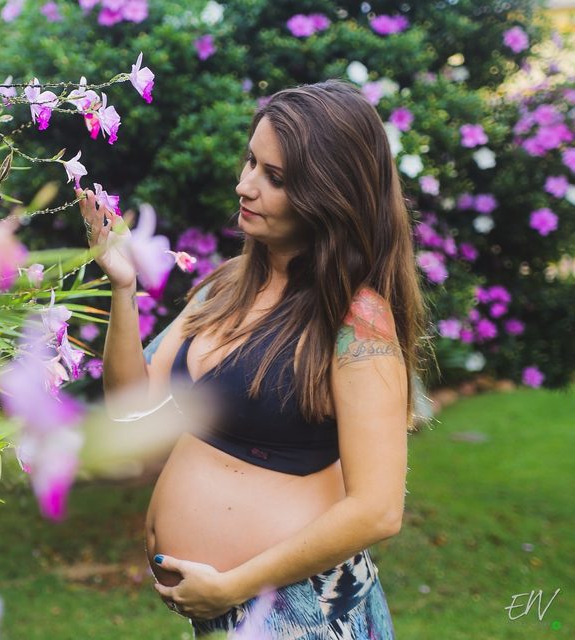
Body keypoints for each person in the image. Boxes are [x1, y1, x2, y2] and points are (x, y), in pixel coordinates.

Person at [76, 79, 425, 638]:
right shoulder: (227, 287)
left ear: (329, 193)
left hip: (300, 613)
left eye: (275, 177)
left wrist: (235, 586)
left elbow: (378, 509)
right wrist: (123, 288)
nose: (245, 185)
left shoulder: (357, 321)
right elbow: (130, 411)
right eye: (250, 163)